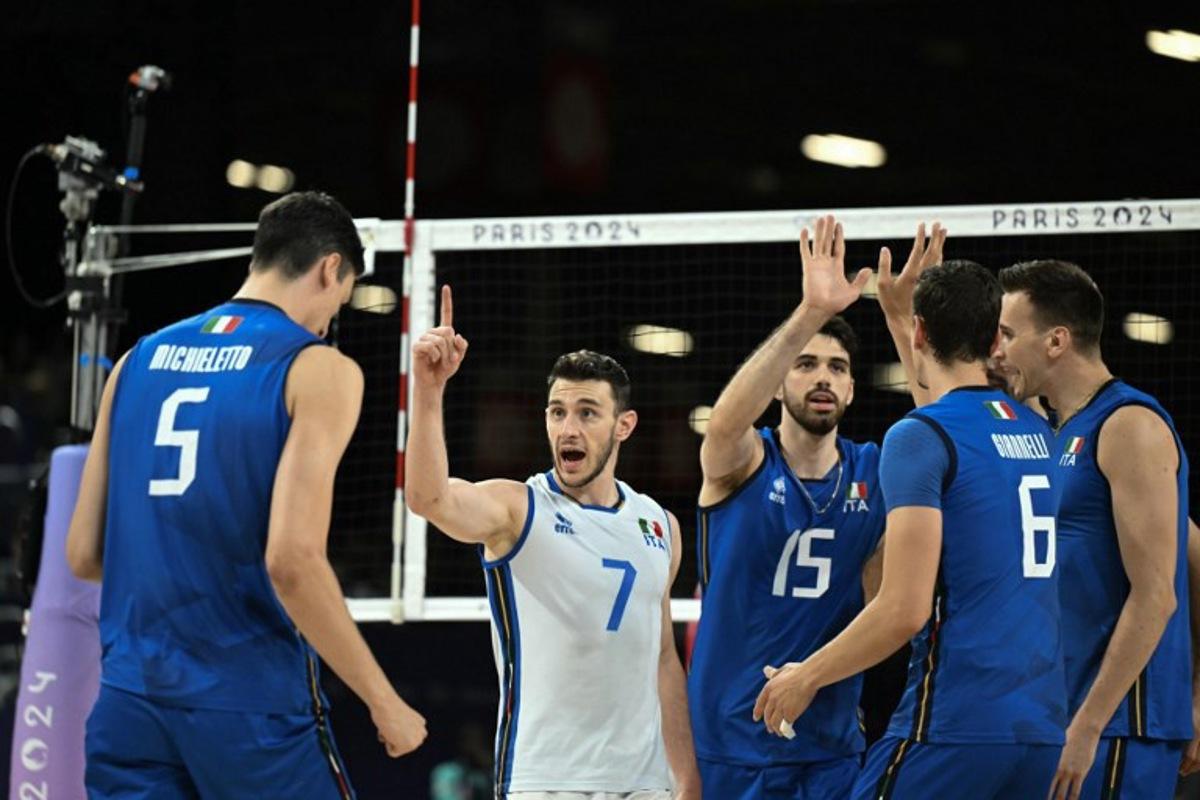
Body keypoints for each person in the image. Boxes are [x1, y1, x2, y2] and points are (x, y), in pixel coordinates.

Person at [66, 191, 427, 799]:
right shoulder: (319, 368)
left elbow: (82, 553)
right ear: (330, 269)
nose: (328, 324)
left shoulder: (134, 361)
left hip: (130, 702)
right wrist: (383, 701)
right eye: (338, 304)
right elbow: (291, 562)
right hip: (248, 707)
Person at [755, 260, 1067, 798]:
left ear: (921, 332)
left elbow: (903, 609)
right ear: (995, 339)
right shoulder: (1039, 432)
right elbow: (957, 430)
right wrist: (900, 316)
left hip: (954, 723)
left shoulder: (917, 436)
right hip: (1040, 727)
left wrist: (805, 676)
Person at [406, 286, 700, 799]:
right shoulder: (518, 509)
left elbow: (662, 660)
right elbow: (429, 498)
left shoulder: (660, 525)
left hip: (642, 784)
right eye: (557, 412)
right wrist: (428, 392)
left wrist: (685, 776)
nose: (568, 428)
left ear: (624, 426)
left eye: (587, 412)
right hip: (546, 781)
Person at [688, 214, 944, 799]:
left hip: (829, 745)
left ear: (852, 389)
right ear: (780, 384)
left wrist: (906, 323)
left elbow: (944, 427)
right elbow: (723, 426)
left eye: (837, 368)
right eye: (805, 365)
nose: (822, 378)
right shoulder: (745, 465)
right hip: (729, 742)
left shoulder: (876, 470)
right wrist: (811, 312)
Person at [993, 260, 1192, 800]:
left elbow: (1158, 595)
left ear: (1056, 340)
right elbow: (1190, 546)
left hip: (1115, 725)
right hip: (1063, 714)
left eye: (1007, 334)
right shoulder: (1063, 430)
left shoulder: (1130, 424)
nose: (997, 351)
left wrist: (1089, 726)